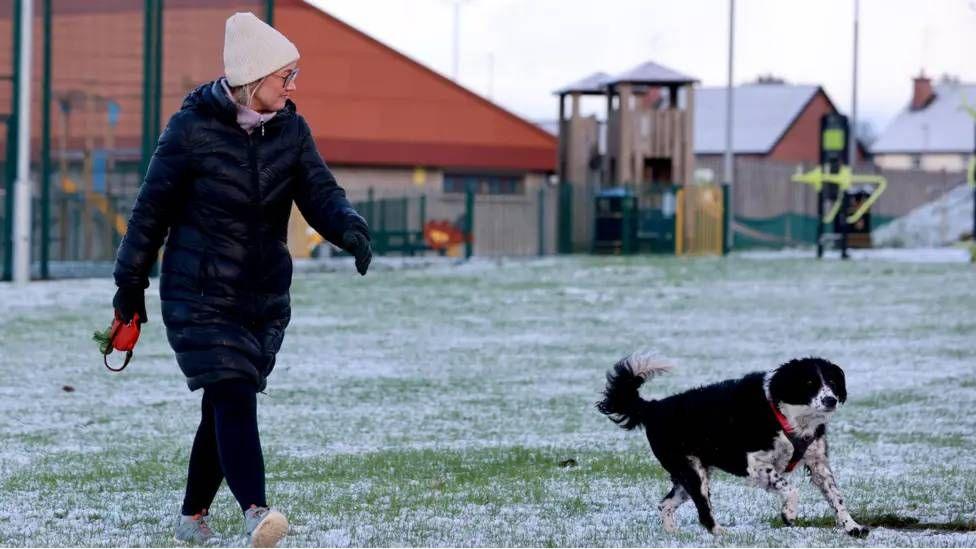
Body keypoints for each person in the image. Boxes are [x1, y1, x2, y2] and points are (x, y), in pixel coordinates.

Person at [111, 12, 372, 547]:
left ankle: (191, 519)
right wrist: (129, 285)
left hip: (261, 297)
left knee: (223, 402)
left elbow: (319, 191)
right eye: (286, 76)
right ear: (255, 77)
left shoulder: (292, 131)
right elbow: (150, 212)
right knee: (232, 393)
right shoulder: (190, 131)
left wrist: (349, 229)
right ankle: (257, 511)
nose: (293, 86)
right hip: (198, 292)